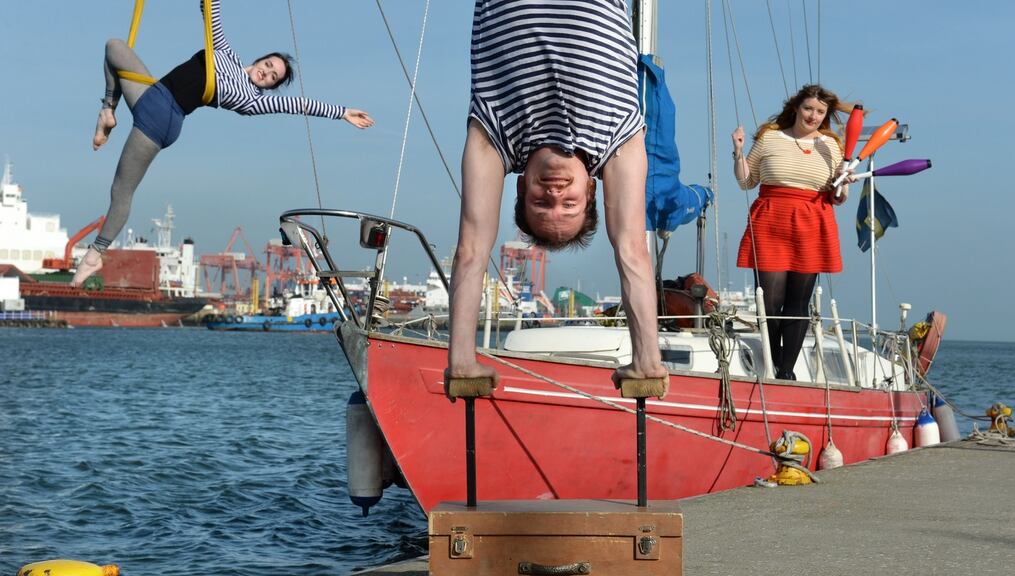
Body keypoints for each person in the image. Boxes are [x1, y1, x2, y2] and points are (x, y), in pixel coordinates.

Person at [445, 0, 669, 389]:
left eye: (540, 202)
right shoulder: (619, 142)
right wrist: (647, 362)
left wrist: (462, 362)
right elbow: (632, 248)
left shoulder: (493, 136)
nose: (555, 193)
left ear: (519, 185)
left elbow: (471, 248)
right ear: (592, 189)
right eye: (569, 204)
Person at [74, 0, 374, 286]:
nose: (266, 73)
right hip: (152, 95)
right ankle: (107, 111)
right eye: (268, 65)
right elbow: (210, 9)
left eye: (272, 78)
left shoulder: (253, 100)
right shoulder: (224, 51)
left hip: (162, 119)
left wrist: (343, 113)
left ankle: (96, 253)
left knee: (121, 190)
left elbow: (297, 104)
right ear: (260, 58)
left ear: (270, 86)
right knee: (115, 47)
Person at [731, 84, 852, 380]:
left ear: (825, 115)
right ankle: (773, 364)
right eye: (809, 108)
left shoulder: (831, 145)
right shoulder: (770, 137)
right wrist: (738, 152)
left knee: (798, 301)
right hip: (771, 219)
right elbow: (747, 182)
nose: (813, 115)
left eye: (820, 112)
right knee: (770, 301)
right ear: (797, 107)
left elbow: (839, 196)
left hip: (813, 221)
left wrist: (841, 182)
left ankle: (786, 370)